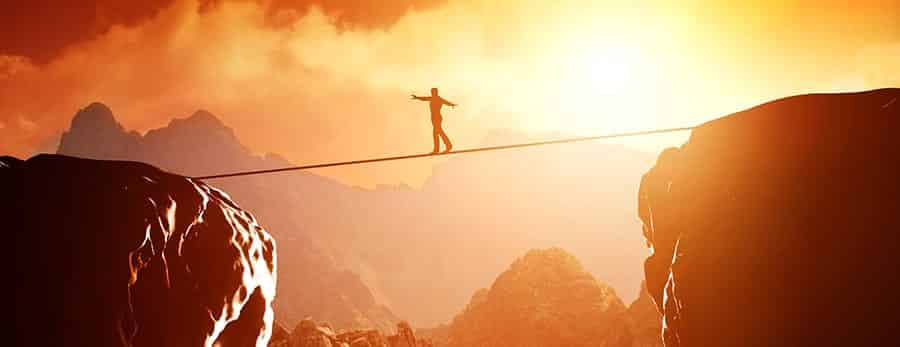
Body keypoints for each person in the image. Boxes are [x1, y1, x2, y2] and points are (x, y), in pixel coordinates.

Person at [411, 88, 457, 153]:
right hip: (434, 118)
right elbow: (425, 98)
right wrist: (417, 97)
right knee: (436, 133)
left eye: (433, 92)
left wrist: (452, 104)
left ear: (436, 92)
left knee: (438, 132)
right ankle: (440, 148)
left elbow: (446, 102)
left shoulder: (438, 98)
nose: (432, 93)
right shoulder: (432, 98)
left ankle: (447, 146)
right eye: (431, 92)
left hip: (437, 118)